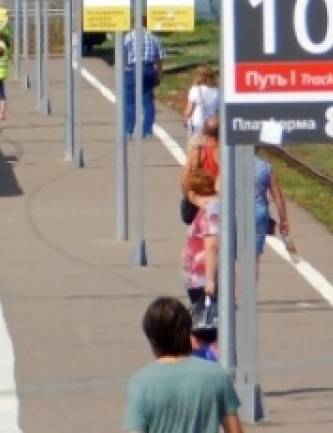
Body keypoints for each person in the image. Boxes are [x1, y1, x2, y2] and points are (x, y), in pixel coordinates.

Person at [123, 297, 242, 433]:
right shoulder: (215, 375)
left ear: (151, 337)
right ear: (187, 331)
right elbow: (235, 430)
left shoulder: (142, 382)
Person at [182, 168, 221, 308]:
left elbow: (212, 246)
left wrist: (210, 281)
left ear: (192, 194)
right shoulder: (212, 207)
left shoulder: (210, 211)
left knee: (205, 324)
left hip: (203, 279)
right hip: (200, 278)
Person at [123, 15, 165, 138]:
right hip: (148, 69)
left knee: (130, 101)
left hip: (133, 69)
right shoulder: (153, 37)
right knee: (147, 101)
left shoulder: (129, 37)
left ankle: (128, 131)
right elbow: (160, 58)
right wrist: (158, 75)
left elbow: (123, 54)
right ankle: (147, 131)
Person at [255, 150, 291, 277]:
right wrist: (283, 219)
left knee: (232, 256)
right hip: (258, 212)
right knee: (254, 258)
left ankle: (235, 292)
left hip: (235, 211)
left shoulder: (231, 164)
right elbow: (277, 196)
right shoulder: (265, 167)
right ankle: (249, 292)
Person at [184, 65, 220, 148]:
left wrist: (186, 119)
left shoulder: (195, 90)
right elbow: (218, 111)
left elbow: (189, 111)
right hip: (211, 126)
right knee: (209, 148)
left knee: (194, 149)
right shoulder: (216, 91)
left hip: (196, 125)